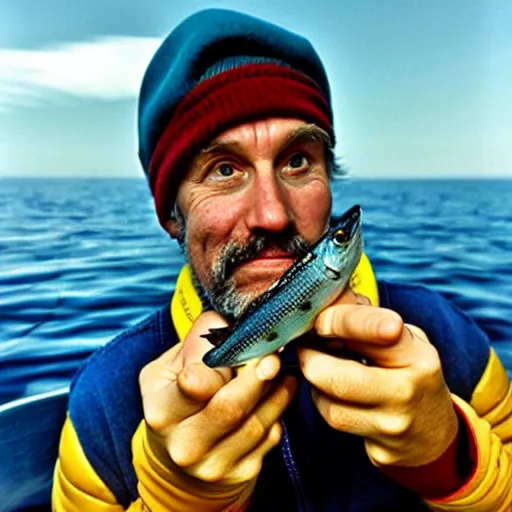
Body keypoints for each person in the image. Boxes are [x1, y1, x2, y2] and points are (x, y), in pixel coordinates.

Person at [51, 8, 512, 512]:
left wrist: (451, 461)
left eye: (297, 161)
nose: (272, 213)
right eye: (224, 169)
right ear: (171, 215)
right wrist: (176, 500)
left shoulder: (451, 340)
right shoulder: (103, 405)